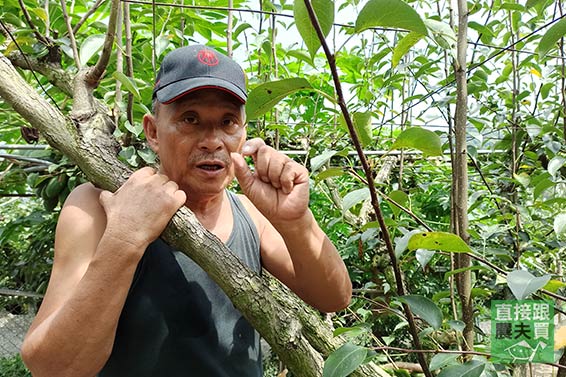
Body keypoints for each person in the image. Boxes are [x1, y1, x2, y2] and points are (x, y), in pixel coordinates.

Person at [20, 44, 352, 377]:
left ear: (244, 133)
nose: (212, 141)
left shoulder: (251, 214)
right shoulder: (98, 207)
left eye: (227, 122)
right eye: (190, 119)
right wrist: (124, 239)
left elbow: (335, 297)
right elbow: (51, 368)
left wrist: (296, 222)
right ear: (152, 131)